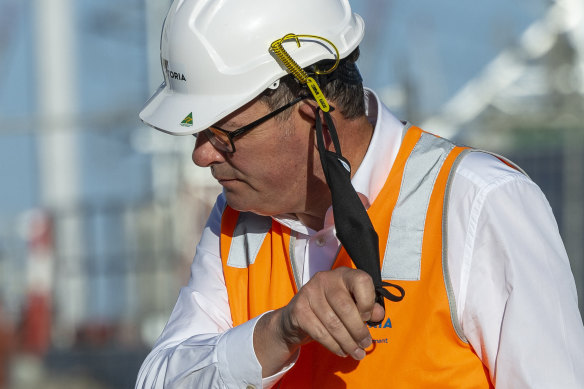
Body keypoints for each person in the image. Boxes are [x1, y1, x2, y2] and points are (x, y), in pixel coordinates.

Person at [135, 0, 584, 387]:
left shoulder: (479, 204)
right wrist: (276, 332)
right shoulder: (237, 220)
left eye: (223, 133)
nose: (202, 156)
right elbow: (160, 378)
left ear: (312, 110)